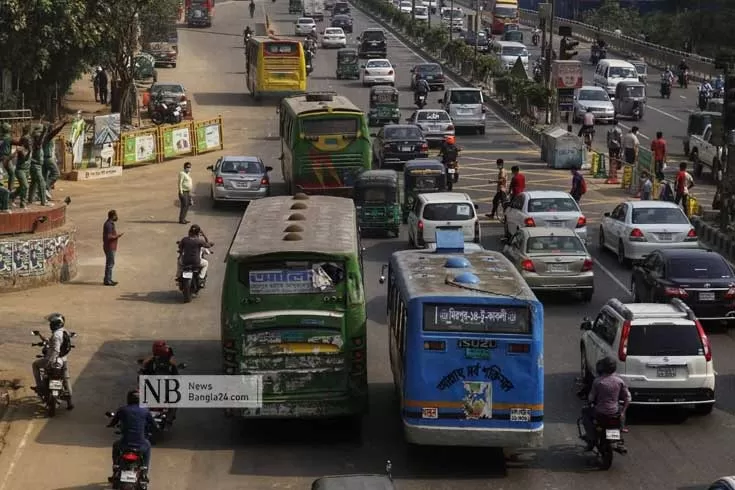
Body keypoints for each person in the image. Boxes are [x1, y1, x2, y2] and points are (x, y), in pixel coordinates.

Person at [581, 357, 631, 451]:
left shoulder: (598, 381)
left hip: (600, 412)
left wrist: (589, 402)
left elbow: (591, 398)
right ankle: (621, 429)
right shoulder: (619, 381)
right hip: (615, 412)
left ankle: (591, 437)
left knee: (585, 412)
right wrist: (623, 411)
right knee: (621, 410)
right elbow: (628, 397)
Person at [108, 390, 155, 483]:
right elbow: (153, 424)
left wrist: (110, 425)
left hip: (125, 444)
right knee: (148, 446)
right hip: (141, 445)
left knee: (115, 445)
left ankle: (115, 469)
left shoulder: (122, 410)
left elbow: (114, 422)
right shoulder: (145, 410)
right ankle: (145, 472)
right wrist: (157, 428)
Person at [31, 313, 74, 410]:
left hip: (53, 360)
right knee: (65, 378)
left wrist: (49, 362)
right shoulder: (64, 332)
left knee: (35, 365)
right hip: (63, 360)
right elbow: (51, 342)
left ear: (56, 323)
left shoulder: (56, 335)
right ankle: (70, 403)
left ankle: (40, 386)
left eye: (52, 323)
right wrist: (41, 336)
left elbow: (56, 350)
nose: (50, 325)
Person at [28, 125, 49, 206]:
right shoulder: (37, 143)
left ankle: (30, 199)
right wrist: (44, 131)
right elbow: (41, 139)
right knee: (42, 183)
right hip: (36, 166)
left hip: (34, 166)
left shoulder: (33, 141)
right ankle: (43, 201)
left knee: (33, 183)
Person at [103, 209, 123, 286]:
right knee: (110, 264)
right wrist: (117, 236)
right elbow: (109, 237)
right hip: (110, 247)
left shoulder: (110, 223)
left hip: (110, 246)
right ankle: (108, 280)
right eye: (116, 215)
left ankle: (108, 279)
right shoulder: (108, 225)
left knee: (109, 263)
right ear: (113, 216)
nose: (117, 217)